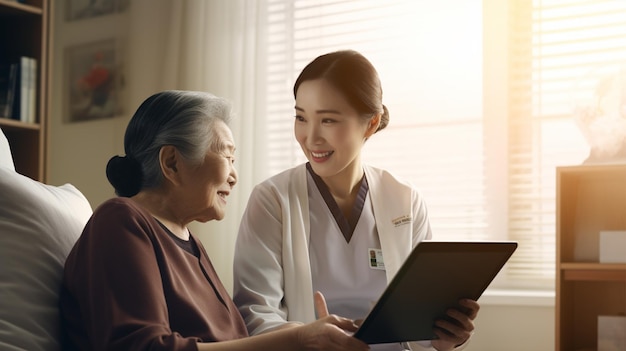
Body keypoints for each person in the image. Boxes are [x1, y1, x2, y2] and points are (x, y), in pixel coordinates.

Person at [59, 90, 370, 351]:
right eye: (227, 156)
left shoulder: (189, 242)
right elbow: (145, 347)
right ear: (171, 162)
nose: (234, 177)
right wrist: (298, 338)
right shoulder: (121, 221)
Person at [233, 50, 480, 351]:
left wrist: (446, 338)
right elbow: (254, 315)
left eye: (328, 120)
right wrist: (308, 338)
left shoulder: (405, 199)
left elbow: (421, 327)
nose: (310, 138)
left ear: (371, 124)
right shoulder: (272, 200)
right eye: (300, 118)